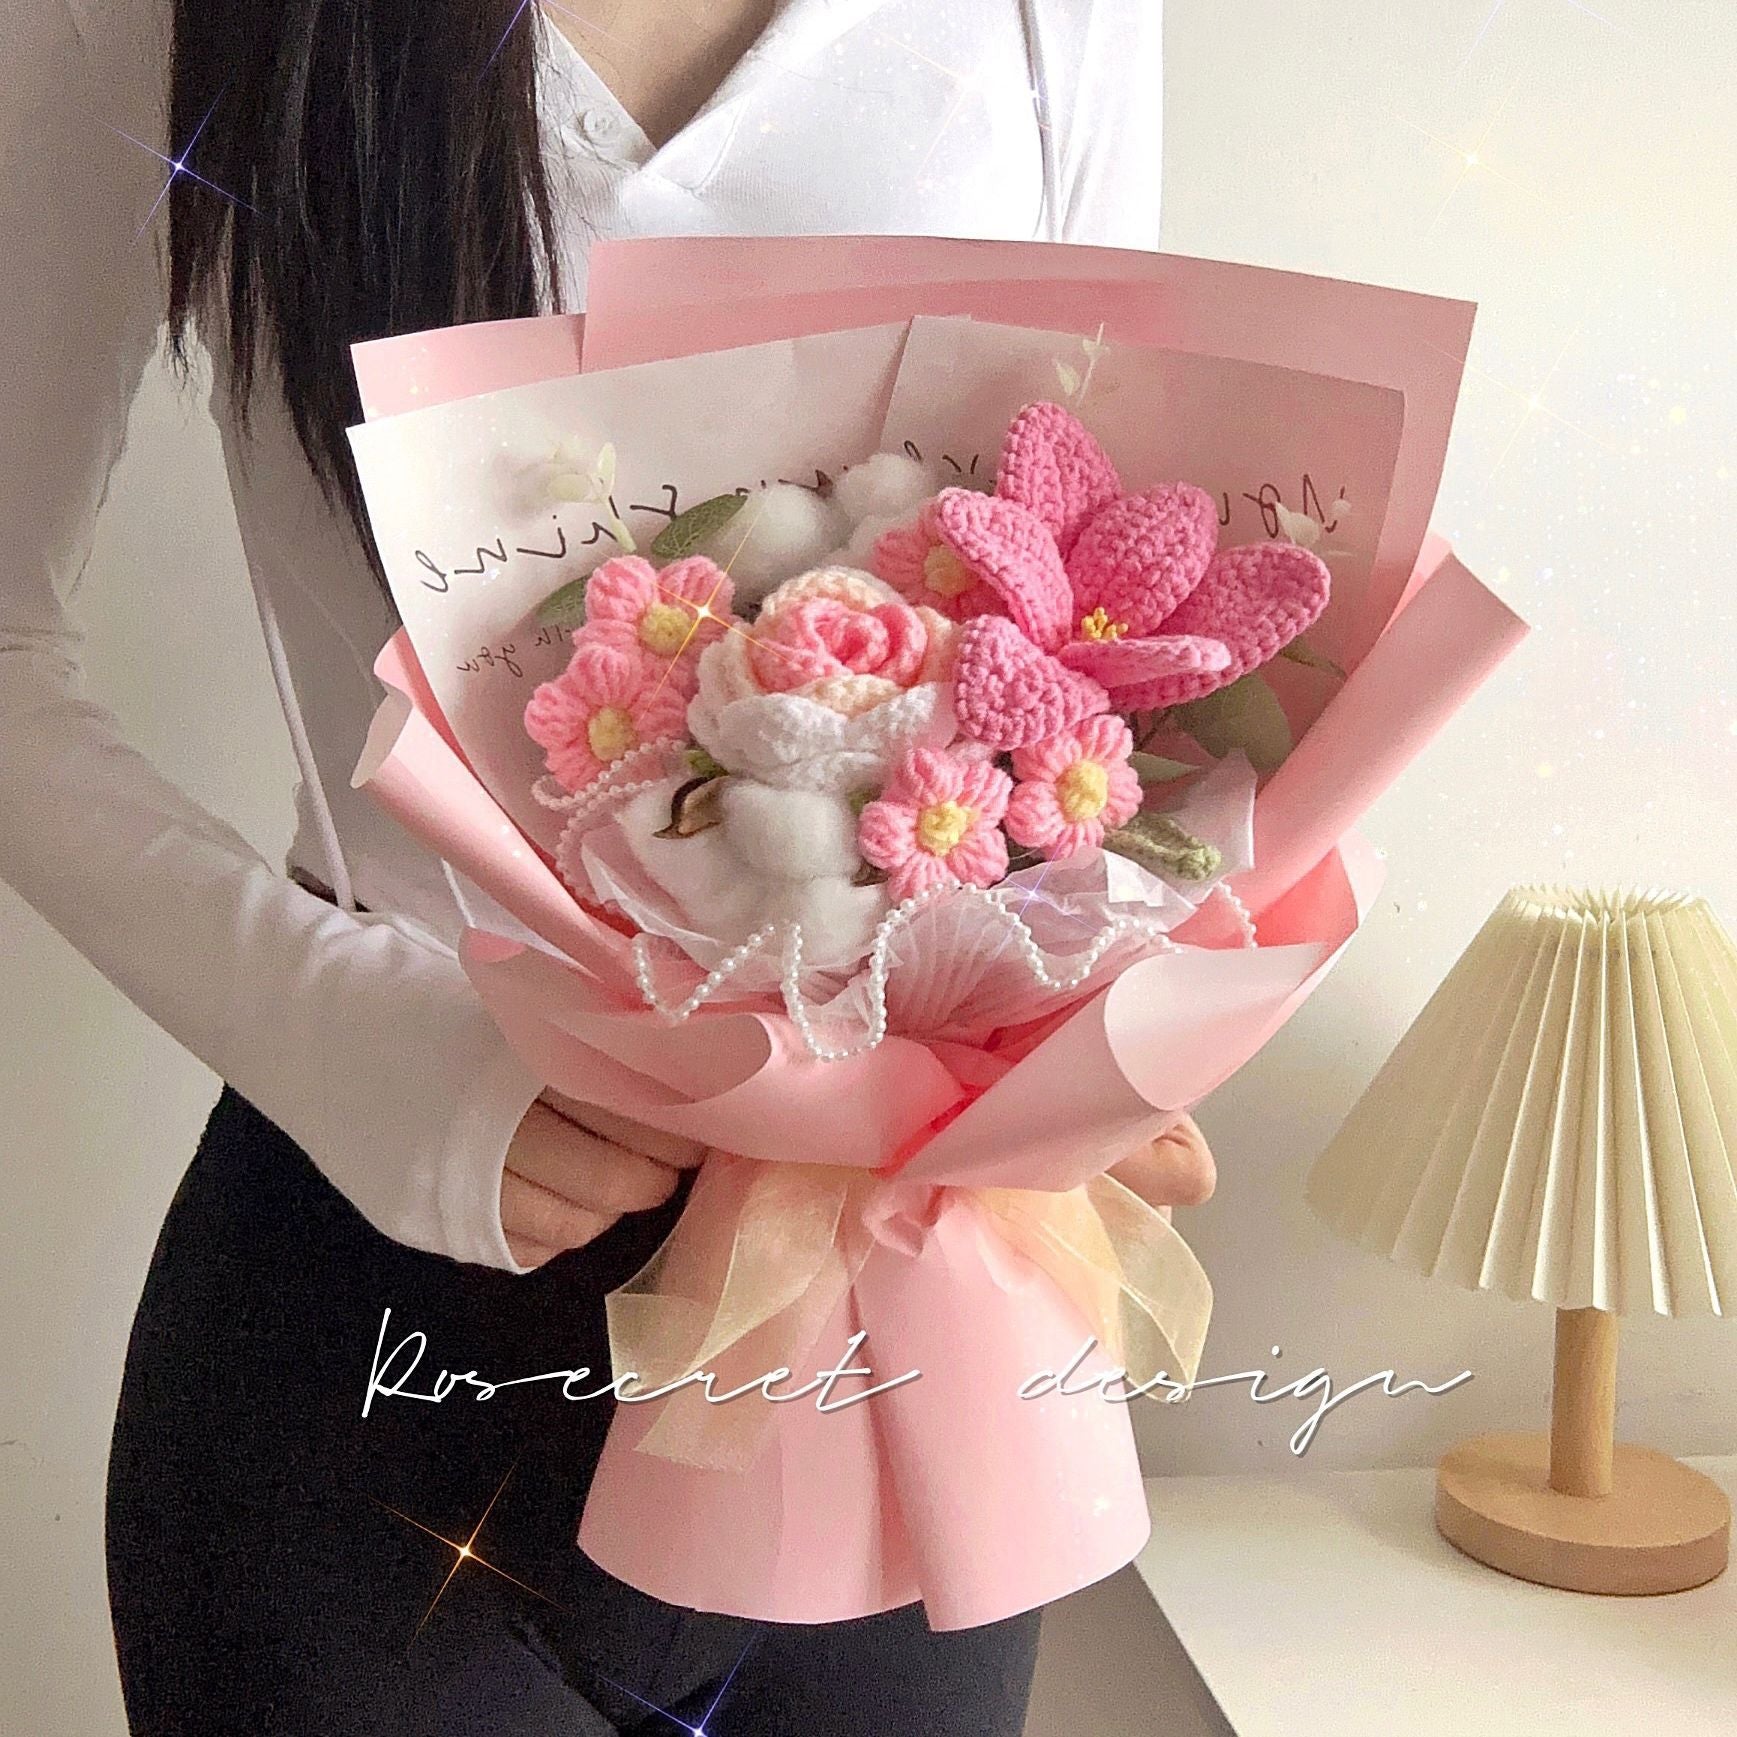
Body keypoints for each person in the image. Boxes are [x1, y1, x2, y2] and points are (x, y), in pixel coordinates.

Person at [2, 2, 1206, 1730]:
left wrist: (1115, 1002)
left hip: (904, 1298)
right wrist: (360, 1039)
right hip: (382, 1319)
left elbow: (1079, 558)